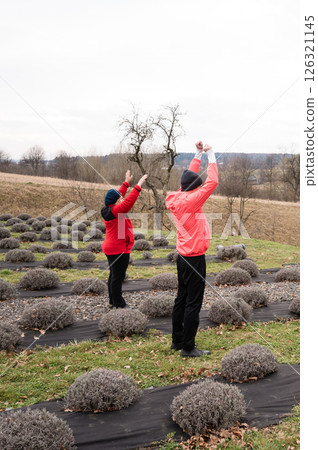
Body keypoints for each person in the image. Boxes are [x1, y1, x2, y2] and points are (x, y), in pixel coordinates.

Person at [165, 141, 218, 357]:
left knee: (181, 299)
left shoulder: (177, 197)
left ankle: (177, 340)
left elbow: (189, 178)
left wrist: (198, 154)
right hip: (195, 258)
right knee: (193, 303)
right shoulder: (192, 202)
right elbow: (212, 182)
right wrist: (211, 154)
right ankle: (188, 347)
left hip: (182, 257)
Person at [101, 170, 148, 308]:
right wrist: (138, 185)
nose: (121, 198)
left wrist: (126, 182)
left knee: (113, 276)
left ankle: (112, 301)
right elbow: (128, 202)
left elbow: (118, 196)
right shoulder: (117, 210)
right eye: (119, 198)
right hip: (118, 249)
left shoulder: (109, 208)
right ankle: (119, 304)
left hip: (111, 248)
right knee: (117, 278)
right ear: (116, 202)